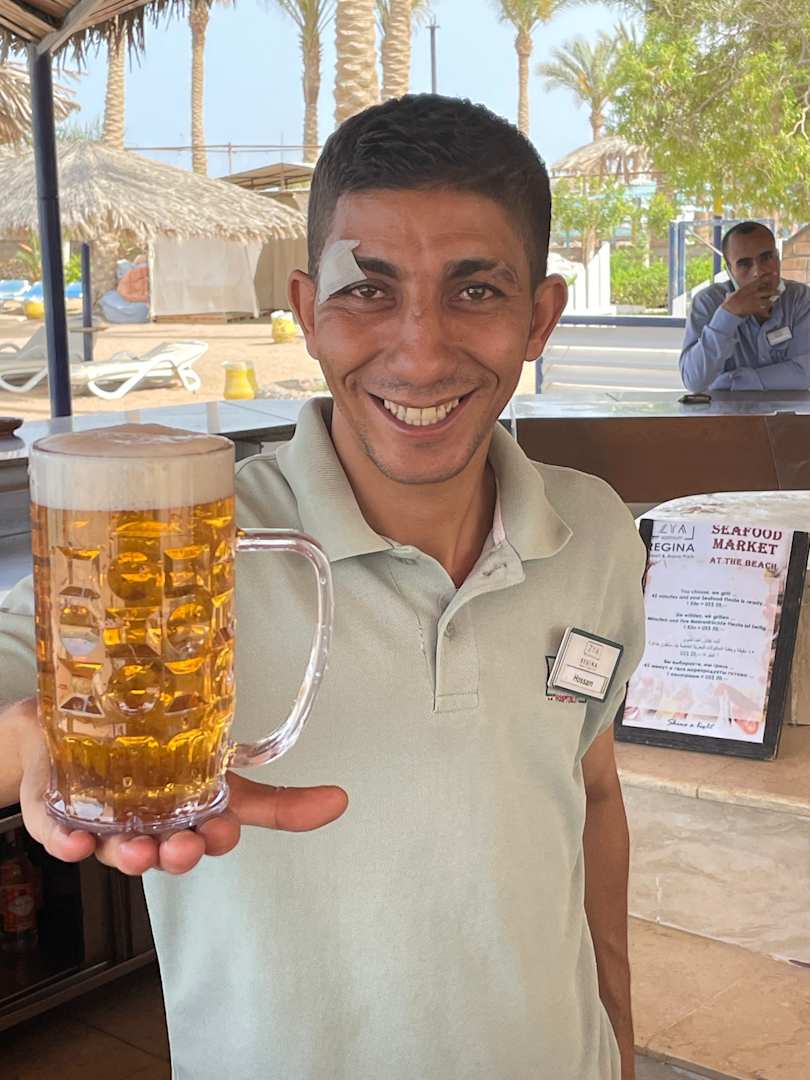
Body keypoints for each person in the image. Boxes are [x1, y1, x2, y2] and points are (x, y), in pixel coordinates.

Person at [0, 95, 646, 1080]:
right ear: (307, 312)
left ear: (540, 318)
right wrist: (45, 740)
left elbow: (591, 791)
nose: (420, 352)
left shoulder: (594, 530)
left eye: (476, 290)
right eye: (368, 290)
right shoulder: (172, 552)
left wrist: (617, 1034)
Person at [680, 221, 810, 392]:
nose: (758, 272)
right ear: (730, 270)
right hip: (725, 410)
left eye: (766, 258)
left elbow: (804, 374)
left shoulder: (800, 299)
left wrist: (730, 382)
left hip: (786, 410)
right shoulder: (707, 302)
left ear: (777, 258)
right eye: (744, 264)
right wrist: (727, 315)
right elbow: (694, 381)